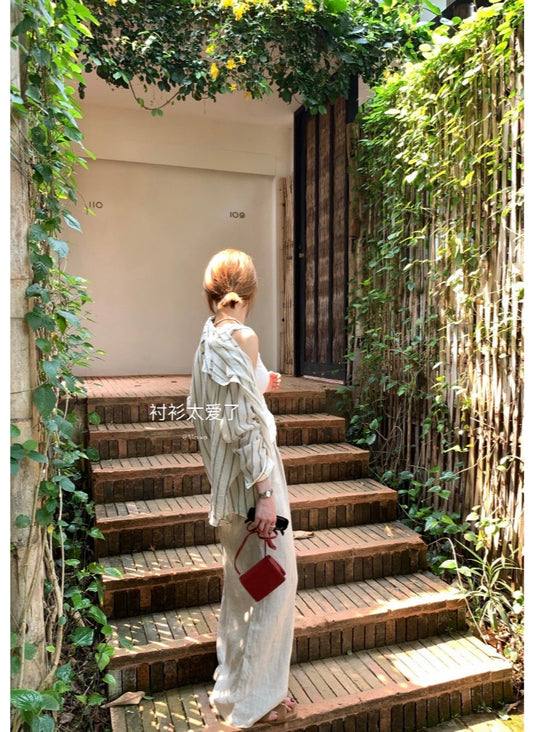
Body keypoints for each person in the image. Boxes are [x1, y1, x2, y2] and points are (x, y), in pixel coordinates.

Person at [188, 249, 298, 728]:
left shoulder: (207, 338)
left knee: (242, 588)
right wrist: (266, 495)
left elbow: (207, 406)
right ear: (252, 292)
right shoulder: (243, 337)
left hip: (228, 483)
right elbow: (245, 426)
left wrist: (260, 385)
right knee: (274, 588)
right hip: (254, 481)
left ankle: (231, 689)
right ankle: (255, 701)